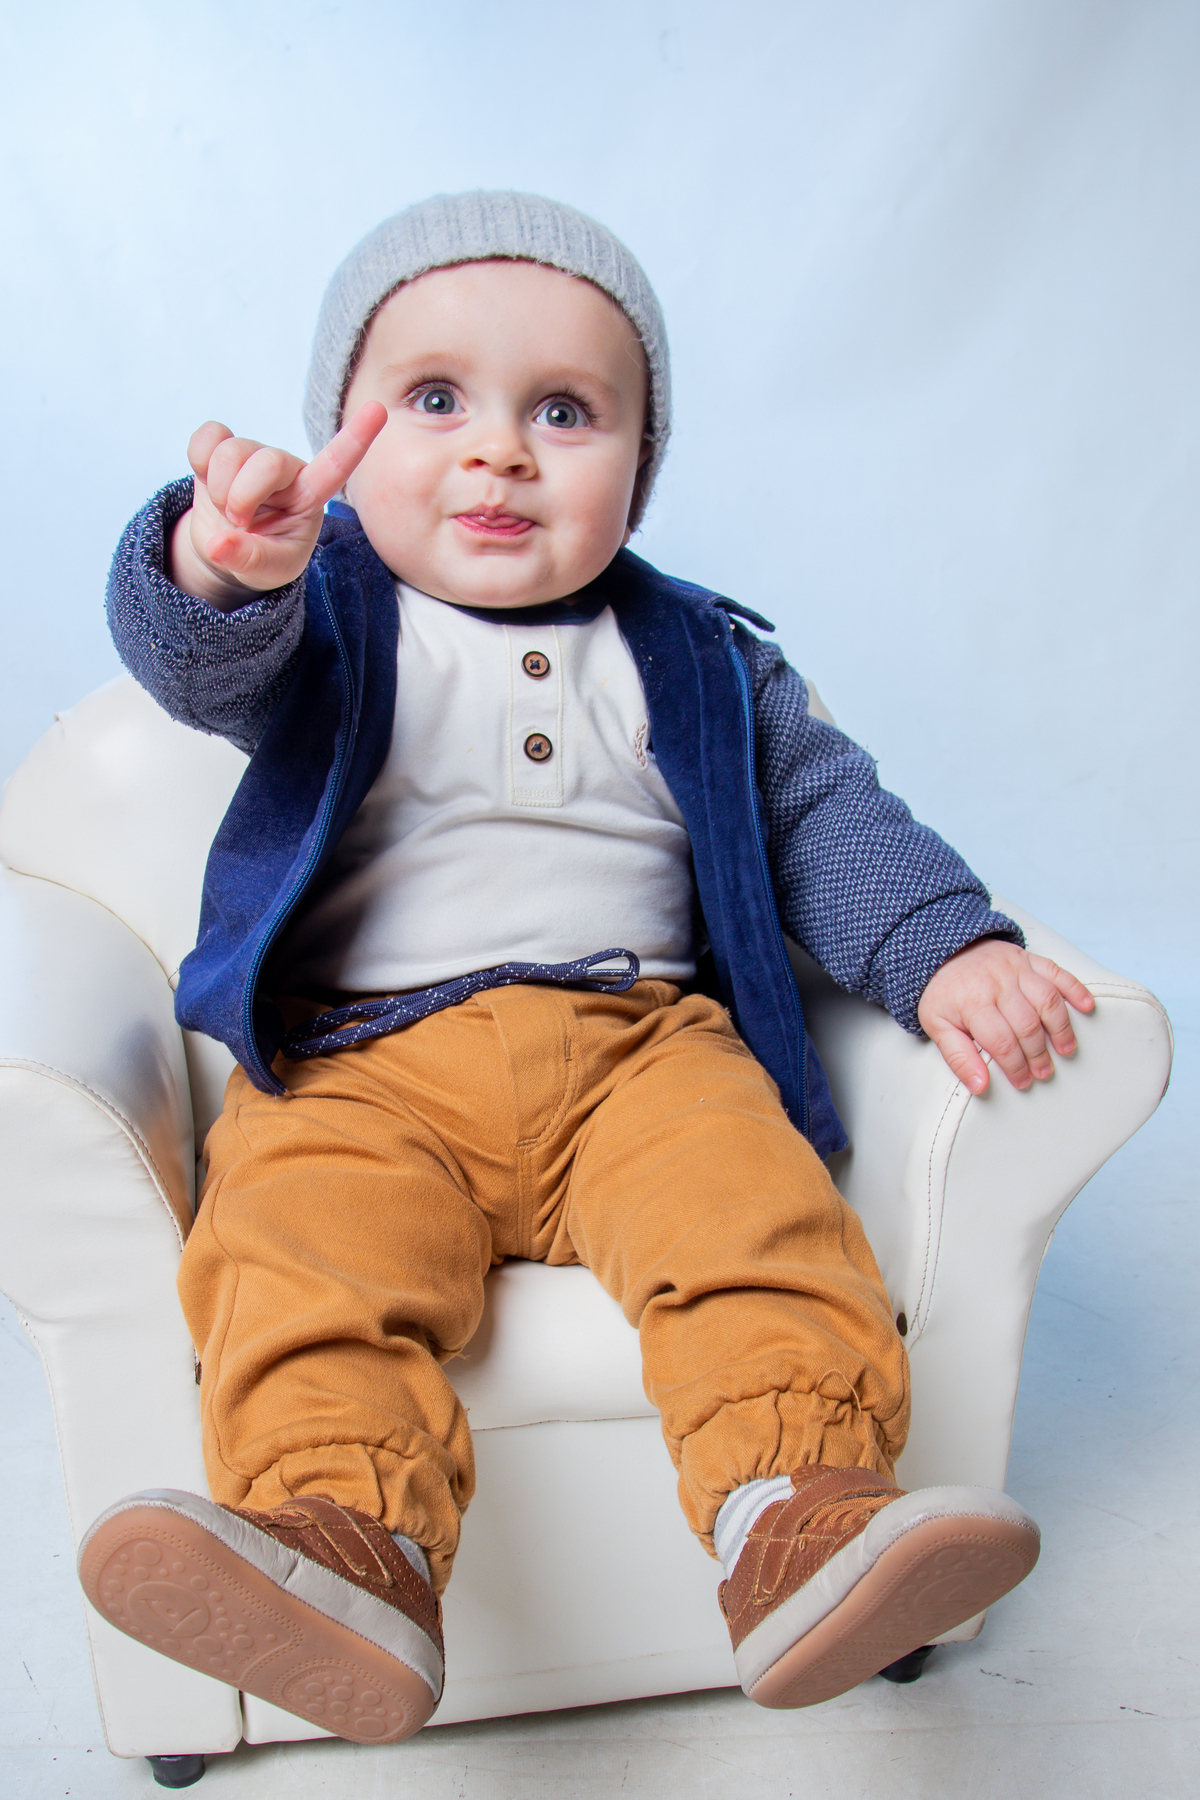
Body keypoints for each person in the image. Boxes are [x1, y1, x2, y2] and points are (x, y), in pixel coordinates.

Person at [78, 192, 1093, 1745]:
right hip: (363, 1067)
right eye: (434, 400)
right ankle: (340, 1546)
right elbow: (198, 658)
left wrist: (946, 949)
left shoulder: (694, 652)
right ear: (337, 436)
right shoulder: (324, 617)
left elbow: (823, 816)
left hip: (640, 1053)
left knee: (756, 1224)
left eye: (564, 412)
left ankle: (801, 1518)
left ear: (641, 461)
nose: (500, 452)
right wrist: (220, 565)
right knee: (295, 1258)